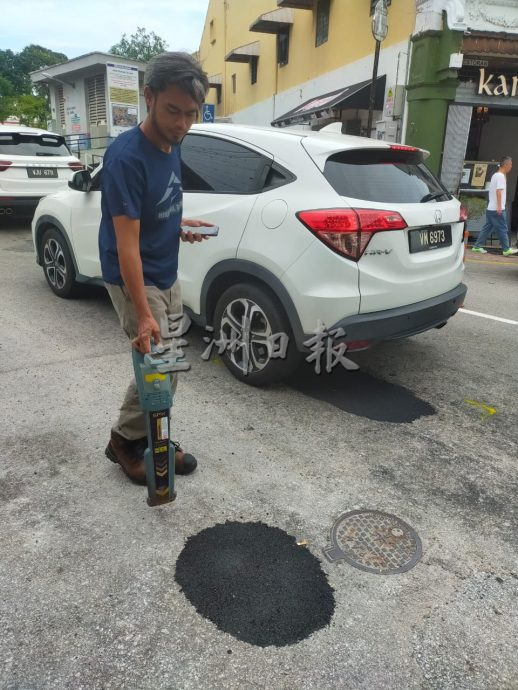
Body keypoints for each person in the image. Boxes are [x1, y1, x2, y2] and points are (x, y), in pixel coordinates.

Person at [98, 52, 212, 484]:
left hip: (166, 269)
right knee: (158, 363)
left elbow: (151, 211)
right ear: (148, 97)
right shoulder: (126, 157)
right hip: (134, 276)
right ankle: (128, 442)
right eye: (172, 111)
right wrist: (143, 313)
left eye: (190, 114)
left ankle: (148, 435)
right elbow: (127, 243)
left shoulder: (172, 144)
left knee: (165, 363)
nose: (182, 123)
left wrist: (180, 226)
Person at [472, 156, 518, 256]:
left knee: (487, 228)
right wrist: (499, 207)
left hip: (490, 208)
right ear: (506, 165)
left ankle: (477, 246)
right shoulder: (500, 176)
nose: (511, 167)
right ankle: (506, 249)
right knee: (503, 228)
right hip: (497, 209)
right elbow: (498, 191)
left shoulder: (496, 175)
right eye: (510, 164)